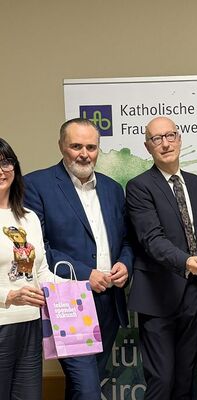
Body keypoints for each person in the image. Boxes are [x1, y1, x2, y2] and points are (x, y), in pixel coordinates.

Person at [23, 118, 134, 400]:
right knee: (87, 389)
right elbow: (38, 247)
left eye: (91, 147)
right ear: (61, 146)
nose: (84, 154)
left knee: (84, 384)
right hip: (69, 301)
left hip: (109, 300)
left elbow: (126, 240)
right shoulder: (36, 185)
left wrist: (125, 264)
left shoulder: (112, 189)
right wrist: (86, 273)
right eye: (76, 146)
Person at [126, 116, 197, 400]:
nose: (165, 144)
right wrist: (186, 261)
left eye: (170, 136)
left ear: (179, 138)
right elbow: (151, 239)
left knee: (186, 378)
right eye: (157, 138)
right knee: (162, 380)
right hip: (158, 295)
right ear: (147, 146)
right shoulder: (139, 186)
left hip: (195, 293)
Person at [0, 138, 63, 400]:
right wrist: (9, 295)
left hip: (30, 323)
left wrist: (76, 289)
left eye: (5, 162)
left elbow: (41, 272)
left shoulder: (28, 217)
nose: (1, 171)